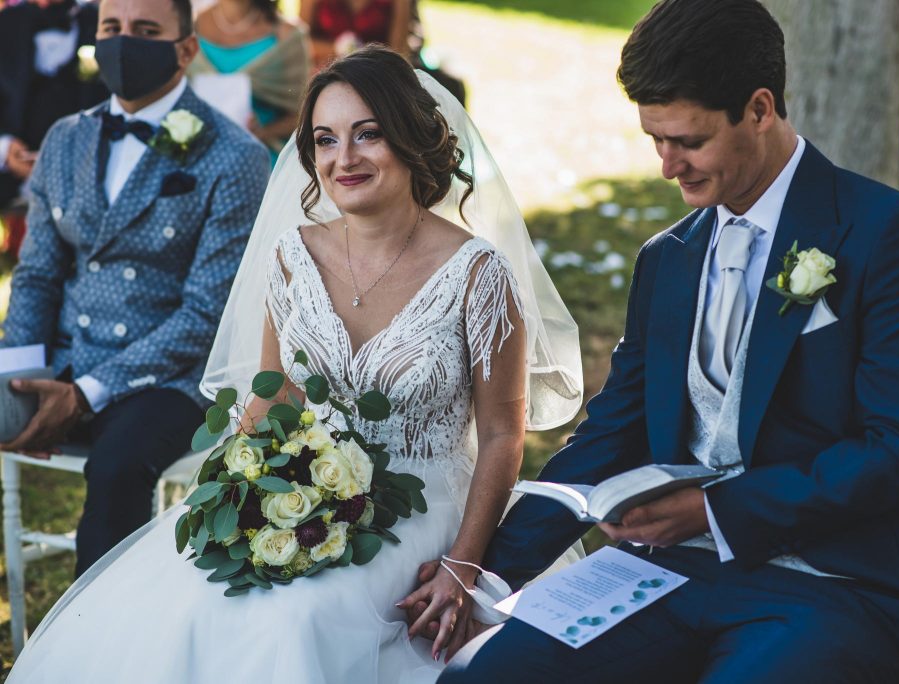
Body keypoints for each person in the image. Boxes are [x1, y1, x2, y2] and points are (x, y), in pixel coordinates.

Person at [437, 1, 899, 682]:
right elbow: (611, 433)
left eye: (688, 141)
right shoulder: (668, 258)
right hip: (671, 573)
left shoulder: (892, 236)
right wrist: (481, 571)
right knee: (483, 676)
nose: (667, 166)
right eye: (655, 140)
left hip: (842, 582)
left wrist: (716, 511)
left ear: (760, 109)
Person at [5, 45, 583, 682]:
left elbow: (502, 434)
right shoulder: (292, 256)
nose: (344, 158)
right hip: (300, 493)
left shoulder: (478, 273)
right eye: (325, 140)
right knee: (192, 604)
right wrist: (234, 498)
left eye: (369, 134)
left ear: (412, 138)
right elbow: (274, 394)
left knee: (298, 621)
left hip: (424, 511)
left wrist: (464, 565)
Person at [0, 0, 268, 576]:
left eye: (146, 31)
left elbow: (206, 314)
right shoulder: (64, 138)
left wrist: (84, 395)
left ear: (186, 49)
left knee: (117, 466)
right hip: (70, 355)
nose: (124, 44)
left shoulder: (234, 155)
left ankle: (92, 626)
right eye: (112, 29)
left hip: (170, 377)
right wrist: (16, 380)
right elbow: (38, 274)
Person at [0, 0, 108, 255]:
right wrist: (5, 149)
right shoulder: (7, 23)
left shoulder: (98, 24)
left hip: (79, 184)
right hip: (10, 178)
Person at [189, 0, 309, 162]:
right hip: (197, 152)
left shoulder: (287, 36)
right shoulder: (191, 25)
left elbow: (303, 114)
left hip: (262, 154)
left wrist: (263, 132)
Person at [300, 0, 465, 104]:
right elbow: (301, 41)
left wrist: (366, 56)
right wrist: (338, 48)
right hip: (324, 71)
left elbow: (398, 49)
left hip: (379, 72)